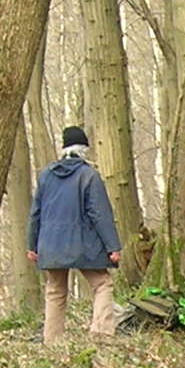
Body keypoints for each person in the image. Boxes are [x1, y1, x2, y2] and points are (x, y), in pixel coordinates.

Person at [29, 125, 123, 343]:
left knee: (55, 290)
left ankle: (52, 340)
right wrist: (113, 246)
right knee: (102, 284)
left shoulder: (46, 177)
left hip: (50, 245)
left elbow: (36, 213)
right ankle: (101, 333)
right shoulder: (89, 176)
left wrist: (32, 245)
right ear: (84, 151)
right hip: (83, 244)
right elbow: (100, 214)